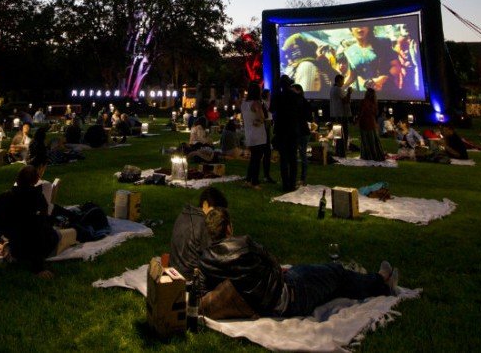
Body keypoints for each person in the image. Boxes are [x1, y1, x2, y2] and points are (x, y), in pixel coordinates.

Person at [197, 207, 398, 318]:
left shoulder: (206, 260)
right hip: (289, 295)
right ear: (229, 228)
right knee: (335, 272)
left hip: (268, 304)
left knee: (328, 283)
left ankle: (371, 283)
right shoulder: (244, 244)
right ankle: (380, 281)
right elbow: (273, 262)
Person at [0, 165, 75, 278]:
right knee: (71, 233)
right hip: (38, 248)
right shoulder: (37, 198)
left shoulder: (4, 198)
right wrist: (39, 268)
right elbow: (38, 233)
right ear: (36, 180)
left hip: (17, 248)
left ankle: (8, 248)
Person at [169, 187, 228, 280]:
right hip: (190, 277)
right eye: (215, 210)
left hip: (174, 269)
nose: (217, 215)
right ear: (205, 204)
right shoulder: (204, 223)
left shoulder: (184, 213)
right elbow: (212, 258)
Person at [341, 26, 398, 92]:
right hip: (364, 95)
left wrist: (383, 79)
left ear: (369, 27)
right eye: (356, 25)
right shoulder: (350, 51)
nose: (360, 27)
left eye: (363, 24)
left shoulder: (383, 43)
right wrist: (339, 89)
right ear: (351, 30)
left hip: (386, 91)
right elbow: (352, 76)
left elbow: (396, 66)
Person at [271, 75, 302, 191]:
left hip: (281, 129)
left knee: (283, 159)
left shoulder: (277, 96)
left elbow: (272, 109)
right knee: (293, 158)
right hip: (292, 129)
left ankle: (285, 184)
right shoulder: (295, 96)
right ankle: (292, 184)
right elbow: (299, 110)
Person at [241, 82, 268, 189]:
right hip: (258, 134)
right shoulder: (256, 103)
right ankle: (255, 182)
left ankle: (248, 180)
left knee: (253, 158)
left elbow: (244, 119)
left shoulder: (244, 104)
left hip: (249, 133)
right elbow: (262, 117)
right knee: (257, 158)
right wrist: (260, 120)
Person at [292, 83, 312, 186]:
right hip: (302, 130)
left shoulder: (299, 102)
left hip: (301, 131)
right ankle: (301, 178)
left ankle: (302, 178)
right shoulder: (304, 102)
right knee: (301, 154)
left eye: (293, 90)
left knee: (302, 154)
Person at [327, 75, 352, 157]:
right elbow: (346, 101)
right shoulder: (338, 89)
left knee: (337, 134)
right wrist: (349, 92)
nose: (343, 82)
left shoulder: (332, 89)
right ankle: (342, 150)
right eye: (342, 80)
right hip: (341, 114)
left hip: (336, 114)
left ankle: (338, 150)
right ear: (338, 80)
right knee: (343, 133)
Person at [358, 88, 385, 161]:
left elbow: (361, 112)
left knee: (366, 140)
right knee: (373, 140)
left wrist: (358, 120)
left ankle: (367, 155)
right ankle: (374, 155)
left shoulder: (364, 102)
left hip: (366, 122)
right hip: (370, 122)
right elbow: (375, 113)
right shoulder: (373, 103)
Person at [260, 89, 275, 183]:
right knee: (266, 140)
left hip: (269, 121)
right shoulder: (263, 103)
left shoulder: (268, 102)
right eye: (269, 94)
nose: (270, 95)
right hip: (266, 122)